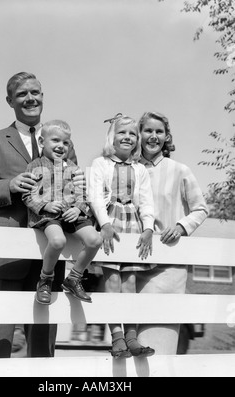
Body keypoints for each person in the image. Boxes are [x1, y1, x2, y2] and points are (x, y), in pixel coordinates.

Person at [0, 72, 83, 359]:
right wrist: (8, 185)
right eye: (22, 94)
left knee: (42, 348)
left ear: (42, 96)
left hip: (49, 257)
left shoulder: (63, 141)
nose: (30, 98)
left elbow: (74, 187)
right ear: (9, 101)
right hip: (3, 255)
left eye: (36, 92)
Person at [134, 111, 209, 354]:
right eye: (148, 130)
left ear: (167, 137)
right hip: (130, 265)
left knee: (158, 345)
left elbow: (200, 209)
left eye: (159, 131)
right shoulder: (128, 169)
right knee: (129, 345)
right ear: (139, 134)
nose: (153, 136)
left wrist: (180, 227)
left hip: (166, 266)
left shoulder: (179, 170)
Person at [88, 113, 155, 359]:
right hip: (111, 223)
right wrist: (104, 223)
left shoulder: (140, 169)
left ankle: (132, 337)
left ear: (137, 140)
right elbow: (95, 196)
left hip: (133, 224)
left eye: (132, 134)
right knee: (113, 280)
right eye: (121, 133)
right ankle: (117, 337)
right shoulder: (100, 164)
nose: (127, 137)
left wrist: (148, 227)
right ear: (112, 137)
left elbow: (146, 201)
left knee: (130, 282)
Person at [22, 120, 102, 305]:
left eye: (66, 143)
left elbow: (83, 194)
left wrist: (77, 208)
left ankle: (74, 277)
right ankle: (45, 279)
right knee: (58, 241)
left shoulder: (74, 168)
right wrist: (45, 205)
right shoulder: (35, 166)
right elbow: (27, 195)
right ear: (42, 142)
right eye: (55, 141)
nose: (61, 146)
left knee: (95, 240)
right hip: (48, 217)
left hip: (71, 215)